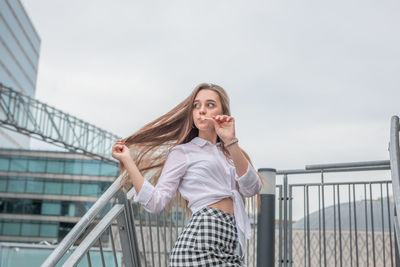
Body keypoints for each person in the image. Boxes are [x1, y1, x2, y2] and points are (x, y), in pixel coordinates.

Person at [111, 82, 263, 266]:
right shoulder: (183, 152)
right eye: (196, 106)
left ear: (222, 112)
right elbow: (155, 202)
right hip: (199, 244)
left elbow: (251, 188)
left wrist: (231, 141)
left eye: (210, 105)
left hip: (227, 243)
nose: (202, 110)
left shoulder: (230, 153)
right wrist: (128, 161)